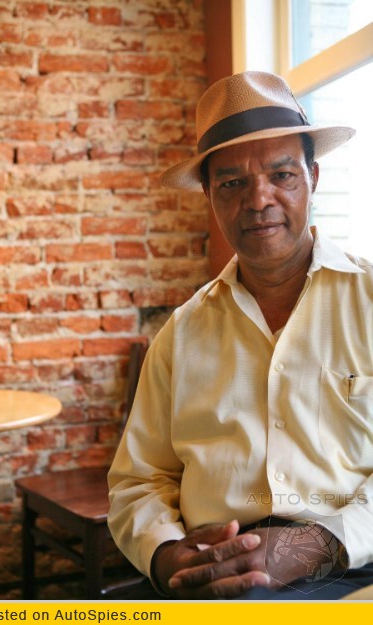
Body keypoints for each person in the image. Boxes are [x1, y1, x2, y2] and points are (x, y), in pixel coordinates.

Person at [107, 71, 373, 600]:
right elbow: (139, 480)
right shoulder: (181, 334)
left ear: (313, 177)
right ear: (209, 195)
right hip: (212, 569)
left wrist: (317, 543)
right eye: (232, 183)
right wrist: (166, 555)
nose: (258, 199)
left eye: (282, 174)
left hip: (349, 567)